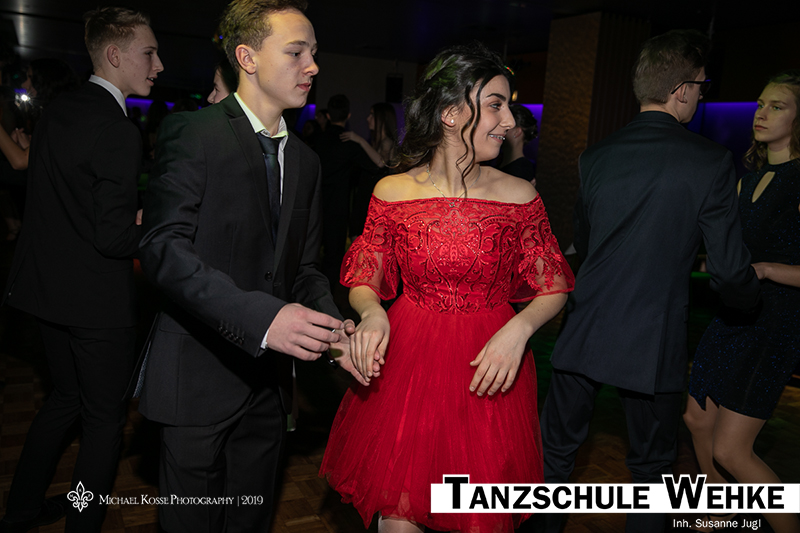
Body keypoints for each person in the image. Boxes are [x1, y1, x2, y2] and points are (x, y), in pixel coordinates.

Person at [320, 42, 574, 533]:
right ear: (452, 113)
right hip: (409, 361)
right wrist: (372, 312)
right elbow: (365, 275)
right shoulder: (392, 192)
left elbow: (554, 285)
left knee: (479, 516)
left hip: (490, 365)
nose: (509, 122)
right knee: (398, 513)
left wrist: (519, 330)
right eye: (495, 105)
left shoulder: (520, 195)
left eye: (507, 107)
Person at [136, 1, 364, 531]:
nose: (312, 66)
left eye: (314, 53)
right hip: (196, 377)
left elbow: (304, 269)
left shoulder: (306, 161)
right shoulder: (194, 133)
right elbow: (163, 249)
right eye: (296, 52)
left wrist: (335, 332)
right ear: (248, 57)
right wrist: (264, 319)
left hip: (268, 387)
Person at [535, 29, 762, 533]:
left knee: (555, 457)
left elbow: (585, 244)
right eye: (701, 86)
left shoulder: (595, 156)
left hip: (585, 327)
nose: (701, 96)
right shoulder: (709, 161)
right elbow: (729, 270)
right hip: (652, 337)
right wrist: (751, 304)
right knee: (653, 470)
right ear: (681, 90)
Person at [0, 7, 163, 532]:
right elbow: (113, 238)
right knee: (103, 424)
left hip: (46, 293)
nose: (158, 65)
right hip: (95, 303)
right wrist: (155, 227)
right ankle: (81, 524)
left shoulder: (58, 110)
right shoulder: (117, 129)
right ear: (114, 55)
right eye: (148, 53)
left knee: (64, 400)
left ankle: (21, 511)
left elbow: (57, 202)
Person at [682, 71, 800, 533]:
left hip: (776, 324)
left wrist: (766, 270)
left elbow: (765, 264)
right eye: (760, 104)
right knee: (696, 418)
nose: (761, 113)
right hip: (733, 314)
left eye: (777, 106)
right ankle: (719, 508)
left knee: (732, 450)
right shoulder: (746, 182)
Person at [314, 94, 377, 287]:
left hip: (314, 205)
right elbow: (376, 167)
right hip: (337, 208)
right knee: (333, 258)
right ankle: (327, 297)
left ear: (328, 115)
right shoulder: (349, 144)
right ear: (348, 115)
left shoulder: (316, 140)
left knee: (311, 256)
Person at [343, 102, 400, 237]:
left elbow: (381, 163)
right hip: (366, 199)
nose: (368, 118)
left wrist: (359, 140)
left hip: (376, 203)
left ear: (382, 119)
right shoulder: (376, 142)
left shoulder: (387, 142)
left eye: (372, 115)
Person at [499, 103, 537, 183]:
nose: (499, 130)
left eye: (506, 128)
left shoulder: (521, 170)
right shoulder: (497, 161)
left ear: (517, 132)